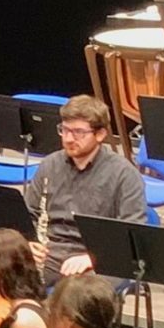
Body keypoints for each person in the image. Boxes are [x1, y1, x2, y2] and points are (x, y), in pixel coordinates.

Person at [21, 95, 147, 286]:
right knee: (3, 272)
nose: (68, 138)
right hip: (51, 251)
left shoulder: (124, 174)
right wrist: (28, 243)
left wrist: (92, 258)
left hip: (101, 257)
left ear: (100, 134)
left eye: (78, 132)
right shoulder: (50, 164)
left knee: (80, 293)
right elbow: (29, 214)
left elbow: (132, 232)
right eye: (64, 130)